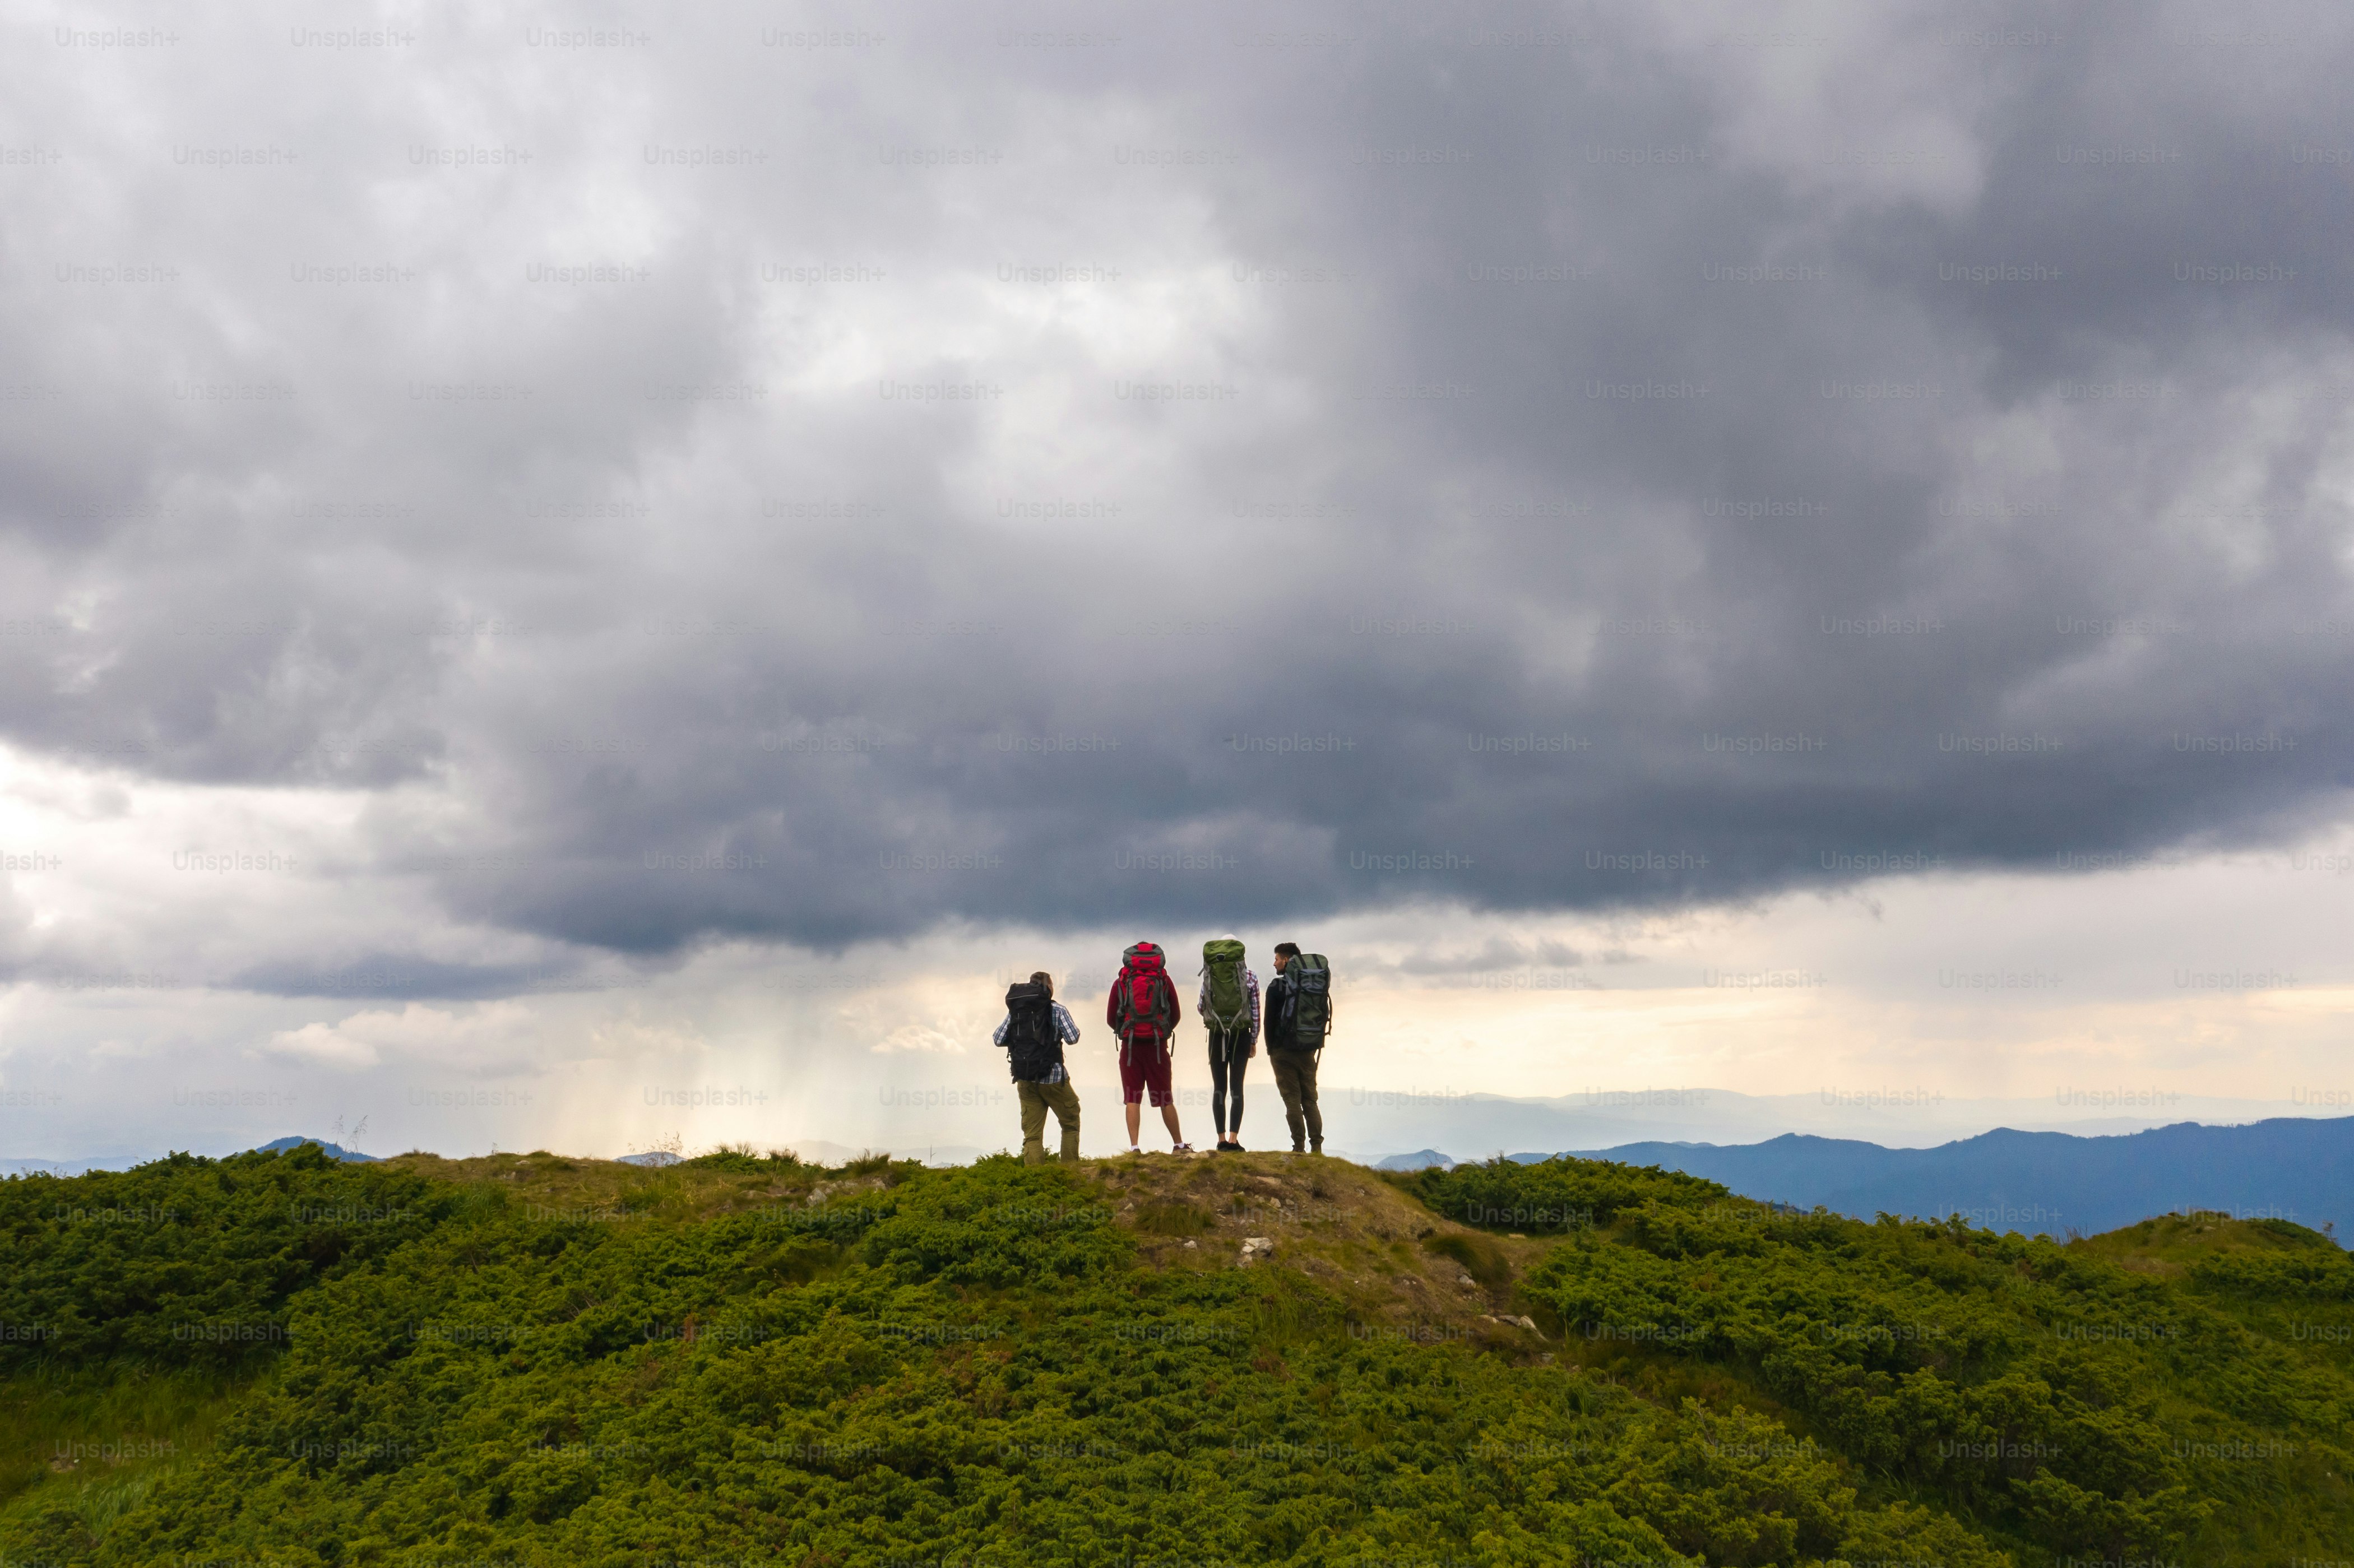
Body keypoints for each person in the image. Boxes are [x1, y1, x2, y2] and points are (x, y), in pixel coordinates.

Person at [1108, 940, 1190, 1153]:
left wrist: (1124, 1031)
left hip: (1130, 1046)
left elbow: (1110, 1017)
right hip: (1157, 1046)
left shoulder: (1122, 981)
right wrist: (1162, 1031)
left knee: (1132, 1097)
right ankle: (1179, 1145)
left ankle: (1135, 1148)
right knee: (1165, 1097)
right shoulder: (1163, 979)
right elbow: (1177, 1013)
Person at [994, 971, 1081, 1164]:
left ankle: (1036, 1180)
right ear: (1049, 988)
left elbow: (998, 1039)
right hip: (1054, 1079)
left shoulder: (1017, 1012)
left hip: (1024, 1078)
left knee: (1032, 1135)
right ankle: (1069, 1172)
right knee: (1070, 1124)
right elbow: (1073, 1038)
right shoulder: (1058, 1010)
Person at [1198, 935, 1260, 1152]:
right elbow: (1255, 1012)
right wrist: (1253, 1040)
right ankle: (1234, 1140)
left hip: (1217, 1035)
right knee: (1237, 1089)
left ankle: (1221, 1139)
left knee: (1219, 1088)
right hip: (1241, 1034)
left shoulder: (1210, 974)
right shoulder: (1250, 977)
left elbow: (1201, 1006)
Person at [1262, 941, 1324, 1155]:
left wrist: (1271, 1049)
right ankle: (1317, 1147)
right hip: (1308, 1049)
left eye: (1277, 959)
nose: (1275, 963)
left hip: (1283, 1051)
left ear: (1286, 960)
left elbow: (1268, 1021)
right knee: (1310, 1100)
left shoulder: (1276, 987)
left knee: (1292, 1101)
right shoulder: (1312, 985)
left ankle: (1299, 1148)